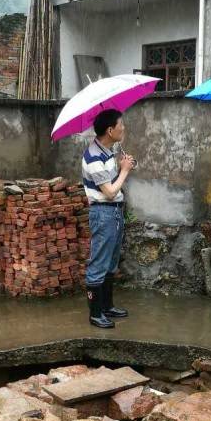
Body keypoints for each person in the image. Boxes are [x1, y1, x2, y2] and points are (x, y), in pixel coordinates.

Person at [82, 109, 135, 328]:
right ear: (110, 130)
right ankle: (95, 313)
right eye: (120, 125)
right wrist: (124, 171)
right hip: (103, 212)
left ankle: (107, 306)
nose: (123, 128)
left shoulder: (107, 151)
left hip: (113, 212)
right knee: (99, 263)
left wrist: (123, 165)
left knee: (111, 262)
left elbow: (113, 183)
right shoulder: (93, 156)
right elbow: (110, 191)